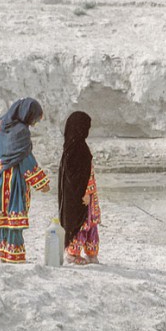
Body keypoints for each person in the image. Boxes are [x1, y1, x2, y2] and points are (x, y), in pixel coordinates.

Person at [0, 98, 50, 263]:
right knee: (14, 214)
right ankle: (14, 255)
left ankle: (4, 253)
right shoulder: (21, 131)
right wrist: (41, 182)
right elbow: (25, 158)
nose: (34, 123)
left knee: (3, 216)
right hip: (14, 179)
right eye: (34, 118)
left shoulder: (1, 124)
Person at [58, 111, 101, 265]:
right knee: (82, 223)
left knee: (90, 224)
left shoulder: (74, 145)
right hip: (82, 197)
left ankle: (91, 253)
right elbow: (77, 176)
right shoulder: (76, 148)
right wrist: (86, 192)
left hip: (85, 195)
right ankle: (73, 253)